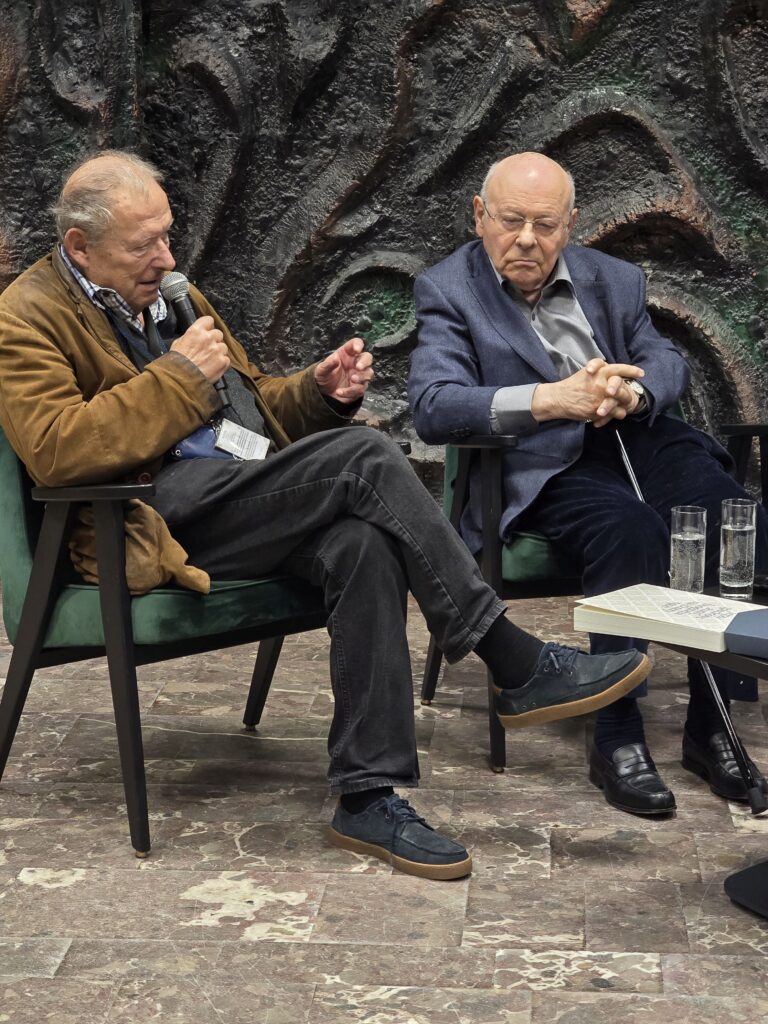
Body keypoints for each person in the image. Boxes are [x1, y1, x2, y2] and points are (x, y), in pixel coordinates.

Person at [0, 151, 648, 880]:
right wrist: (178, 376)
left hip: (233, 496)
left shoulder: (171, 294)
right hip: (145, 515)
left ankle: (367, 797)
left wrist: (317, 392)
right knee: (364, 455)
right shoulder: (26, 316)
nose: (168, 258)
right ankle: (511, 656)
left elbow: (247, 410)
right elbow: (59, 450)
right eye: (144, 245)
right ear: (82, 246)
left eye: (167, 236)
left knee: (359, 542)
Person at [409, 151, 768, 818]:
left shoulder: (614, 279)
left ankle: (711, 724)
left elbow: (664, 359)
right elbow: (434, 404)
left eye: (545, 225)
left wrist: (633, 392)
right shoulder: (448, 289)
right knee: (629, 530)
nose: (527, 240)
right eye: (511, 221)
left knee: (728, 514)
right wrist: (552, 399)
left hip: (634, 437)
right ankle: (616, 733)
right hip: (541, 460)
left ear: (569, 225)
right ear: (480, 216)